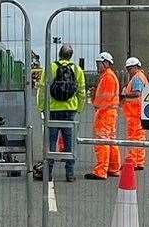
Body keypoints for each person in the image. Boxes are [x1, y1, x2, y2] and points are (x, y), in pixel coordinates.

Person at [37, 44, 85, 182]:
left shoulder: (50, 67)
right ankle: (69, 174)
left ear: (59, 54)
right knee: (69, 142)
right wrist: (79, 108)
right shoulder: (77, 69)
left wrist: (42, 107)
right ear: (71, 55)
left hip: (52, 110)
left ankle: (48, 173)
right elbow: (81, 92)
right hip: (70, 111)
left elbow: (42, 89)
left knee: (50, 142)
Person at [86, 52, 121, 180]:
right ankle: (113, 168)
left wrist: (97, 106)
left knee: (102, 141)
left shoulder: (108, 77)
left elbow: (105, 99)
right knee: (110, 140)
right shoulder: (108, 76)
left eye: (98, 63)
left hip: (104, 113)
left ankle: (101, 171)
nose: (97, 66)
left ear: (105, 63)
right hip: (109, 113)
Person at [122, 56, 149, 170]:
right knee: (140, 137)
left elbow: (137, 93)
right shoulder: (141, 77)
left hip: (135, 113)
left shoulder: (137, 78)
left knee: (133, 138)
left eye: (129, 69)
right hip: (139, 112)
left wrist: (124, 95)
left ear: (135, 67)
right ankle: (139, 161)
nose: (128, 72)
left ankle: (132, 162)